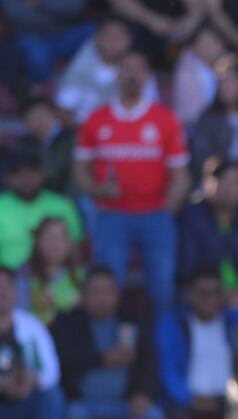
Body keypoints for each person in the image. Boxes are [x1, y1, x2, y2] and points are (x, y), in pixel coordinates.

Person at [74, 50, 192, 315]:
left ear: (148, 76)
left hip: (155, 214)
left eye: (139, 68)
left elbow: (181, 175)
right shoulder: (96, 119)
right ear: (117, 74)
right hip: (111, 215)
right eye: (127, 68)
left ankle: (161, 337)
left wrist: (167, 209)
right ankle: (110, 336)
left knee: (163, 287)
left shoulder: (165, 119)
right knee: (107, 286)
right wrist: (99, 189)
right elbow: (80, 172)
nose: (132, 75)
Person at [52, 268, 164, 419]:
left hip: (127, 405)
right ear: (84, 295)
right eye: (95, 291)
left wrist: (142, 394)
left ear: (117, 295)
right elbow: (63, 362)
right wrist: (101, 359)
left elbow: (149, 363)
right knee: (75, 417)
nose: (101, 298)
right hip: (84, 405)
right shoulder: (68, 323)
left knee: (153, 418)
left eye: (107, 291)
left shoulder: (133, 320)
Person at [155, 271, 238, 419]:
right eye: (203, 293)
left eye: (215, 293)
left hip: (226, 402)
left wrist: (236, 306)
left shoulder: (232, 323)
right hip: (186, 403)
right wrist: (189, 399)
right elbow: (168, 370)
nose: (209, 299)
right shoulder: (174, 324)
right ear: (190, 295)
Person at [178, 158, 238, 313]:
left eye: (234, 182)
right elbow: (188, 264)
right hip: (203, 290)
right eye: (221, 181)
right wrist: (216, 292)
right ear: (206, 183)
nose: (228, 188)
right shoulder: (191, 217)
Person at [0, 267, 64, 419]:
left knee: (52, 397)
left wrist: (30, 380)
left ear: (16, 291)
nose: (2, 292)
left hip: (24, 403)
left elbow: (51, 373)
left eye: (7, 286)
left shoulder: (32, 326)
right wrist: (3, 385)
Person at [56, 17, 153, 125]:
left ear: (129, 39)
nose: (114, 41)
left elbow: (150, 111)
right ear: (97, 38)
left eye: (119, 36)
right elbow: (64, 110)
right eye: (109, 36)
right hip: (84, 128)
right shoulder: (81, 68)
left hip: (131, 130)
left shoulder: (140, 70)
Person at [0, 150, 84, 271]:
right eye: (18, 173)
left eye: (32, 172)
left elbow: (76, 249)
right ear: (7, 178)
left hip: (54, 277)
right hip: (7, 277)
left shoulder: (62, 206)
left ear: (43, 174)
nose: (26, 179)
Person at [17, 218, 85, 326]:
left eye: (60, 238)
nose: (55, 244)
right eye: (49, 237)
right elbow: (18, 314)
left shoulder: (81, 276)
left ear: (69, 243)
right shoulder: (24, 275)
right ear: (38, 242)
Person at [17, 96, 77, 195]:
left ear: (54, 114)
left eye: (41, 115)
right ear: (25, 123)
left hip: (70, 195)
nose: (38, 121)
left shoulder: (72, 138)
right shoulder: (23, 144)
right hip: (39, 197)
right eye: (32, 117)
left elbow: (75, 174)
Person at [172, 26, 227, 128]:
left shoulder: (227, 67)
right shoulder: (185, 71)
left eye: (210, 43)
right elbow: (190, 114)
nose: (206, 47)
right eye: (202, 43)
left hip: (223, 126)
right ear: (195, 47)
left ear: (221, 45)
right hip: (193, 127)